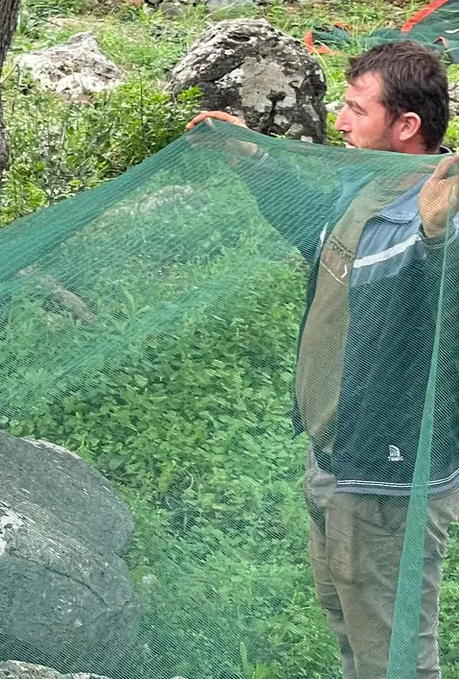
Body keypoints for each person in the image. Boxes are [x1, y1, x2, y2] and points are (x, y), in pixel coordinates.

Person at [189, 40, 459, 679]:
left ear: (406, 126)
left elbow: (440, 310)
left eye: (355, 109)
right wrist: (252, 160)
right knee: (349, 624)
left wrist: (434, 241)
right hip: (332, 452)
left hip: (386, 475)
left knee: (394, 654)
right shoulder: (362, 184)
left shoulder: (442, 209)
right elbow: (314, 230)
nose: (338, 120)